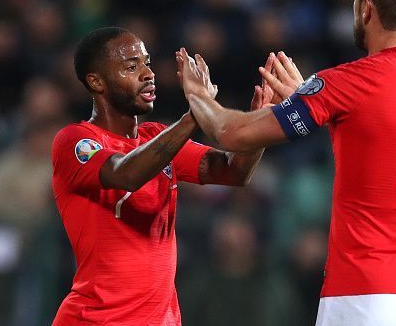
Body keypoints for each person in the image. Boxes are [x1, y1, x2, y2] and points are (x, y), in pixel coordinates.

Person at [177, 0, 396, 326]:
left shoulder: (349, 84)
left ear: (366, 7)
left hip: (365, 291)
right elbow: (386, 132)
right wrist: (312, 103)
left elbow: (230, 134)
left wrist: (199, 96)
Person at [51, 27, 267, 325]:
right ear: (96, 81)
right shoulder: (76, 141)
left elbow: (233, 171)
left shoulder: (157, 137)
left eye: (147, 62)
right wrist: (195, 114)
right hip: (97, 320)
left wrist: (261, 123)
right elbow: (126, 173)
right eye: (131, 66)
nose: (147, 73)